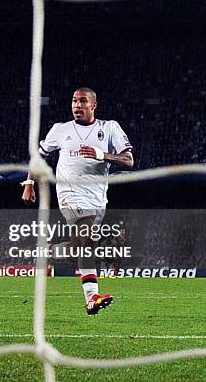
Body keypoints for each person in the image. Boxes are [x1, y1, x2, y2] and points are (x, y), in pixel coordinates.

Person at [21, 87, 133, 315]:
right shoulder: (60, 130)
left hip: (98, 198)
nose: (77, 105)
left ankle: (53, 255)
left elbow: (128, 160)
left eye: (83, 101)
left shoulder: (109, 128)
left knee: (83, 247)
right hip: (70, 194)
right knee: (86, 235)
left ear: (94, 105)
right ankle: (90, 295)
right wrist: (29, 182)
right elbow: (39, 155)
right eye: (74, 101)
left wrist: (102, 155)